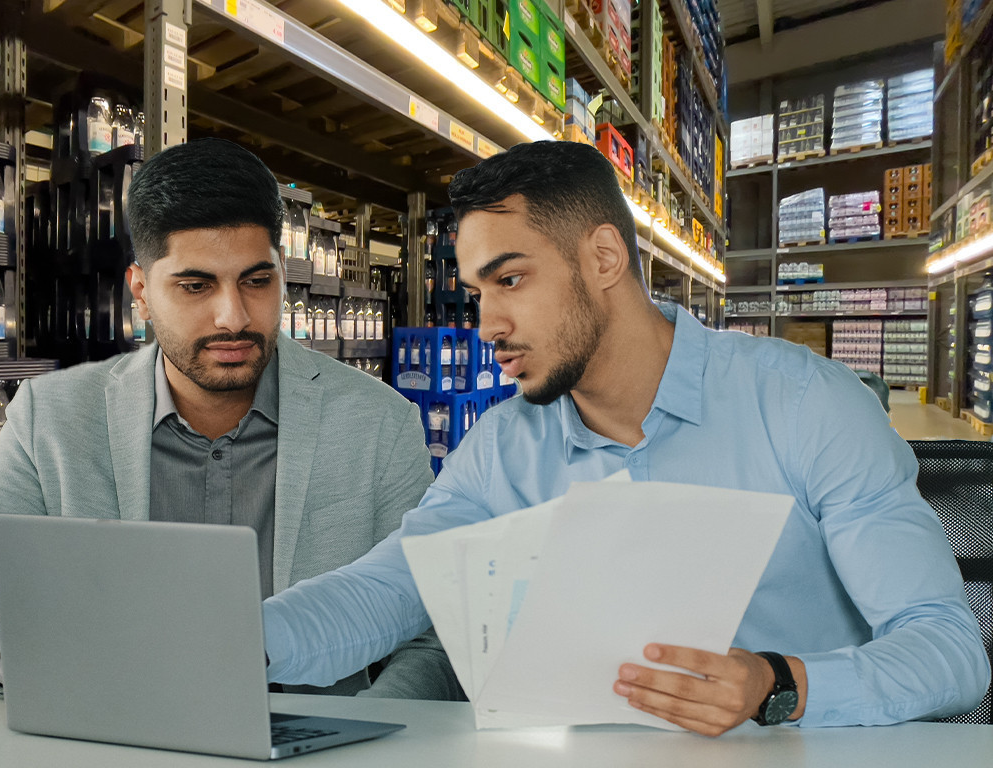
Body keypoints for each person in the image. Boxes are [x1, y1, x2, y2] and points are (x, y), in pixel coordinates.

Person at [260, 140, 990, 735]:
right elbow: (387, 588)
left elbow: (947, 648)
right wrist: (233, 635)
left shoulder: (806, 407)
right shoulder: (505, 448)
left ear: (604, 258)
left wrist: (779, 685)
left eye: (510, 281)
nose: (486, 329)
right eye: (479, 293)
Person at [0, 138, 461, 702]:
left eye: (257, 280)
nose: (234, 316)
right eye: (195, 286)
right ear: (141, 293)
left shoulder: (377, 422)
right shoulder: (52, 419)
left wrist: (368, 734)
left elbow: (434, 634)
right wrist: (51, 675)